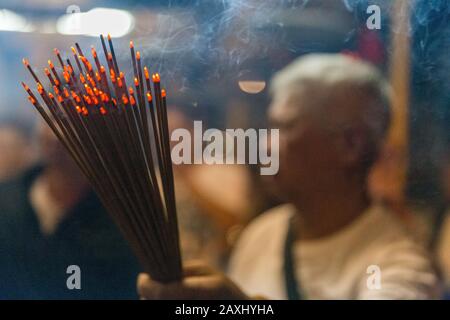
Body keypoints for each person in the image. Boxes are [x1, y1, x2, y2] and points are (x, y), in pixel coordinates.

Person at [137, 54, 440, 300]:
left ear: (350, 145)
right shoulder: (263, 233)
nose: (266, 144)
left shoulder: (401, 269)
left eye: (286, 127)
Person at [0, 120, 140, 299]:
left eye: (71, 121)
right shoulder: (7, 199)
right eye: (50, 117)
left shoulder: (124, 215)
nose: (56, 134)